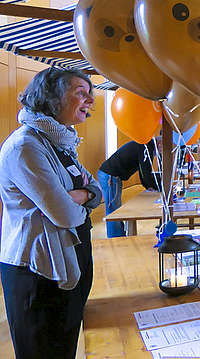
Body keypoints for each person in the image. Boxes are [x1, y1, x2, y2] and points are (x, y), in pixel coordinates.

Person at [0, 67, 103, 359]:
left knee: (65, 347)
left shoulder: (60, 144)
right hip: (37, 270)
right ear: (52, 97)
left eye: (90, 94)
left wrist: (83, 195)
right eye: (81, 93)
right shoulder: (25, 147)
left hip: (69, 258)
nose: (90, 102)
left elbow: (96, 189)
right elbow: (66, 216)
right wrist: (81, 201)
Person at [98, 137, 161, 237]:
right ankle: (115, 238)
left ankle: (119, 234)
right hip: (110, 176)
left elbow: (143, 170)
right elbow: (145, 172)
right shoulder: (146, 147)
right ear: (160, 144)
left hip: (112, 175)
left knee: (115, 207)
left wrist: (149, 186)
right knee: (113, 209)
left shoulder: (145, 144)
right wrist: (154, 186)